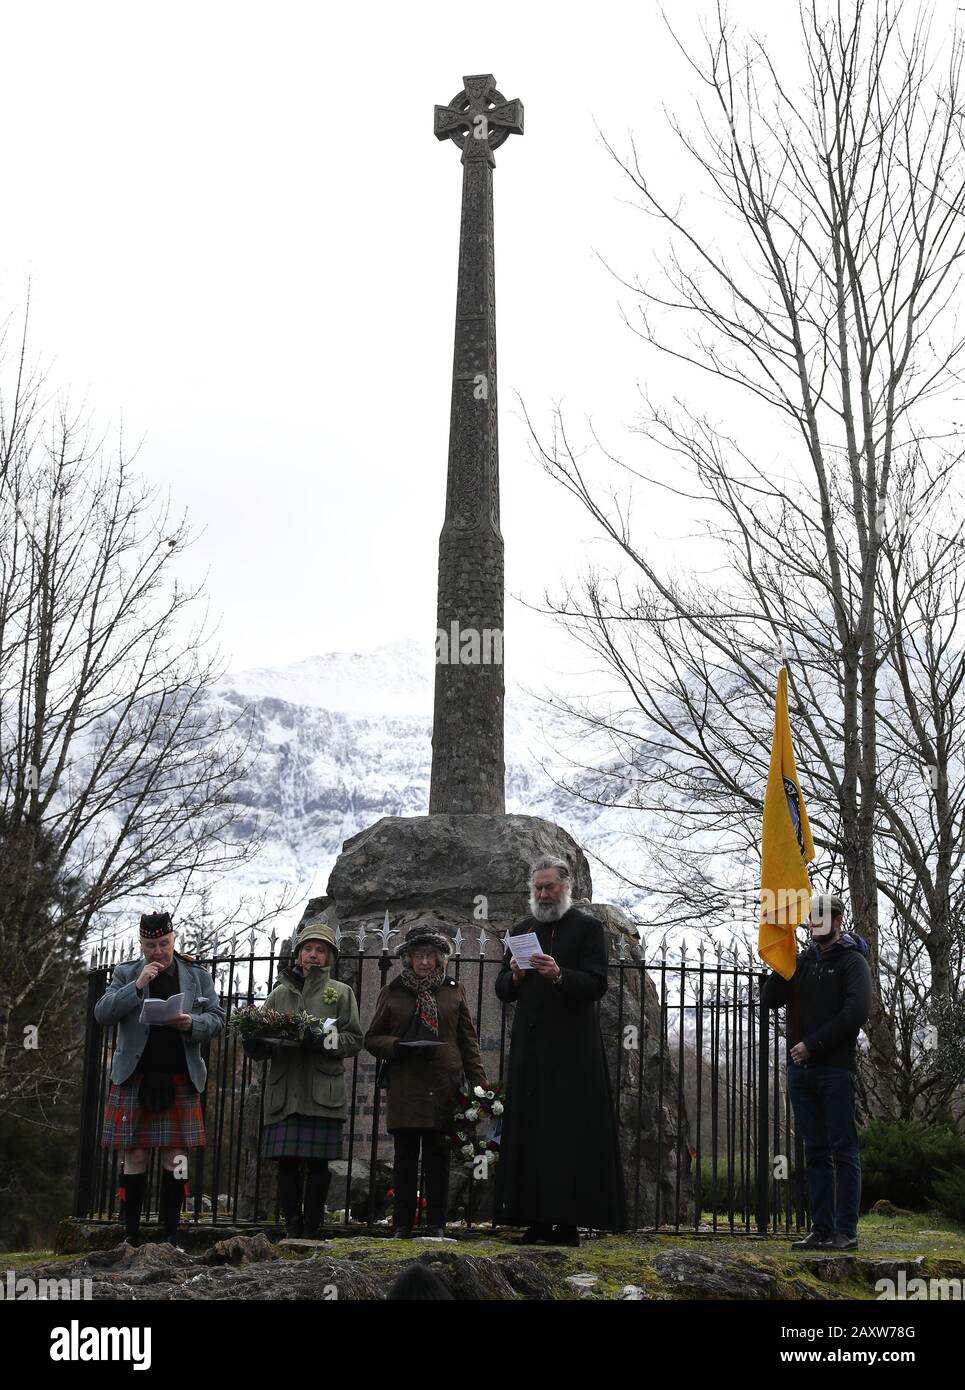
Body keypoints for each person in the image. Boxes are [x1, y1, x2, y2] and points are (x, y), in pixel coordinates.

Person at [493, 857, 626, 1247]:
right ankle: (534, 1220)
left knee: (568, 1134)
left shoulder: (588, 929)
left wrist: (559, 974)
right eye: (537, 888)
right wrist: (515, 975)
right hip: (531, 1050)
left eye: (549, 887)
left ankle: (567, 1223)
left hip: (573, 1051)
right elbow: (502, 989)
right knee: (531, 1132)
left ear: (566, 889)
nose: (543, 894)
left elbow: (597, 983)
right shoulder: (522, 930)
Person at [95, 911, 226, 1246]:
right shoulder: (125, 972)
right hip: (135, 1078)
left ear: (173, 939)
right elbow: (103, 1013)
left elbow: (218, 1019)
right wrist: (136, 985)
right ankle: (131, 1234)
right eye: (151, 945)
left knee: (176, 1157)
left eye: (164, 943)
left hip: (180, 1077)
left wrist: (191, 1024)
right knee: (135, 1154)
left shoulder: (196, 975)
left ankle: (170, 1233)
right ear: (142, 944)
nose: (158, 951)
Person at [762, 892, 871, 1251]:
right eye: (811, 917)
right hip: (800, 1073)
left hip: (835, 1070)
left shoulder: (853, 962)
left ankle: (846, 1232)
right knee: (815, 1151)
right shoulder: (802, 960)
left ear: (837, 921)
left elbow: (855, 1013)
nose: (814, 922)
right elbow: (770, 999)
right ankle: (821, 1228)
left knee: (843, 1150)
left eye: (822, 917)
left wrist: (813, 1045)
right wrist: (783, 959)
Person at [365, 920, 487, 1239]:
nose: (423, 962)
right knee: (405, 1158)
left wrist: (479, 1085)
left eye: (430, 956)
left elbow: (468, 1040)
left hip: (443, 1085)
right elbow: (372, 1038)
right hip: (406, 1084)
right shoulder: (392, 992)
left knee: (438, 1157)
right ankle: (402, 1224)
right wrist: (398, 1046)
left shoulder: (453, 991)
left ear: (439, 959)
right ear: (408, 959)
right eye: (418, 956)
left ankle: (436, 1223)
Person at [244, 918, 363, 1238]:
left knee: (318, 1165)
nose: (312, 955)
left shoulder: (341, 993)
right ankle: (292, 1228)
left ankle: (312, 1229)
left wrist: (322, 1040)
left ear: (329, 958)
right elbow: (262, 1046)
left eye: (320, 950)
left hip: (321, 1091)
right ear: (298, 955)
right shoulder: (278, 994)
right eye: (307, 949)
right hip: (285, 1091)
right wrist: (253, 1043)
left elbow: (354, 1040)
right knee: (286, 1163)